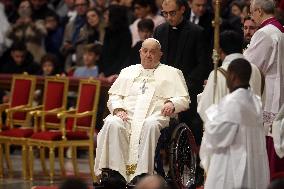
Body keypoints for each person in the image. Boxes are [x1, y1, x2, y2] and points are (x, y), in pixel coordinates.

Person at [94, 38, 190, 184]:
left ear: (160, 54)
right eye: (145, 51)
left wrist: (172, 103)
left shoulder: (173, 73)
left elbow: (183, 99)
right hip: (127, 117)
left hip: (155, 116)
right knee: (113, 122)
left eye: (153, 52)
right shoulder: (127, 71)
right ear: (140, 52)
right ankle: (114, 172)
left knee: (150, 125)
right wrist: (118, 108)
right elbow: (114, 95)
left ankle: (144, 173)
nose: (148, 55)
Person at [200, 58, 270, 189]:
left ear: (232, 76)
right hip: (253, 163)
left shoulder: (232, 102)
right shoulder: (255, 101)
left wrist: (211, 113)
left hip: (232, 163)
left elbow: (217, 136)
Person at [153, 0, 210, 145]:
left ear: (182, 9)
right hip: (163, 90)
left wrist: (184, 86)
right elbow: (155, 61)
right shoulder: (159, 31)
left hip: (188, 89)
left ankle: (194, 163)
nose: (169, 17)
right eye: (165, 14)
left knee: (192, 127)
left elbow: (203, 64)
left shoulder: (197, 32)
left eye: (172, 13)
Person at [243, 0, 284, 177]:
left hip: (271, 94)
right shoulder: (279, 29)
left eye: (252, 13)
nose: (252, 16)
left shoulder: (264, 33)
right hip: (278, 89)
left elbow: (249, 66)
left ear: (259, 11)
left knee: (271, 140)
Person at [197, 30, 262, 122]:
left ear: (219, 50)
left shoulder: (217, 74)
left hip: (229, 132)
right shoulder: (255, 69)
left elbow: (205, 109)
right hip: (253, 130)